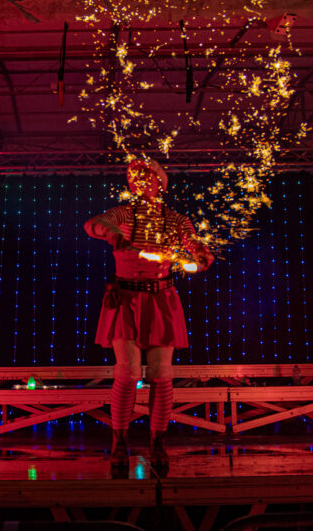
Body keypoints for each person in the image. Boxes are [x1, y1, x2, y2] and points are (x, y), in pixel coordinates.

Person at [84, 158, 214, 476]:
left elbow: (194, 243)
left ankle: (158, 441)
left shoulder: (176, 220)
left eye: (145, 177)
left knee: (161, 373)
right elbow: (93, 224)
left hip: (161, 299)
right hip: (125, 299)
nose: (138, 183)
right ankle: (119, 441)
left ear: (159, 183)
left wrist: (201, 255)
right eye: (133, 178)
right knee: (127, 372)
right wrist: (113, 233)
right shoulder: (123, 214)